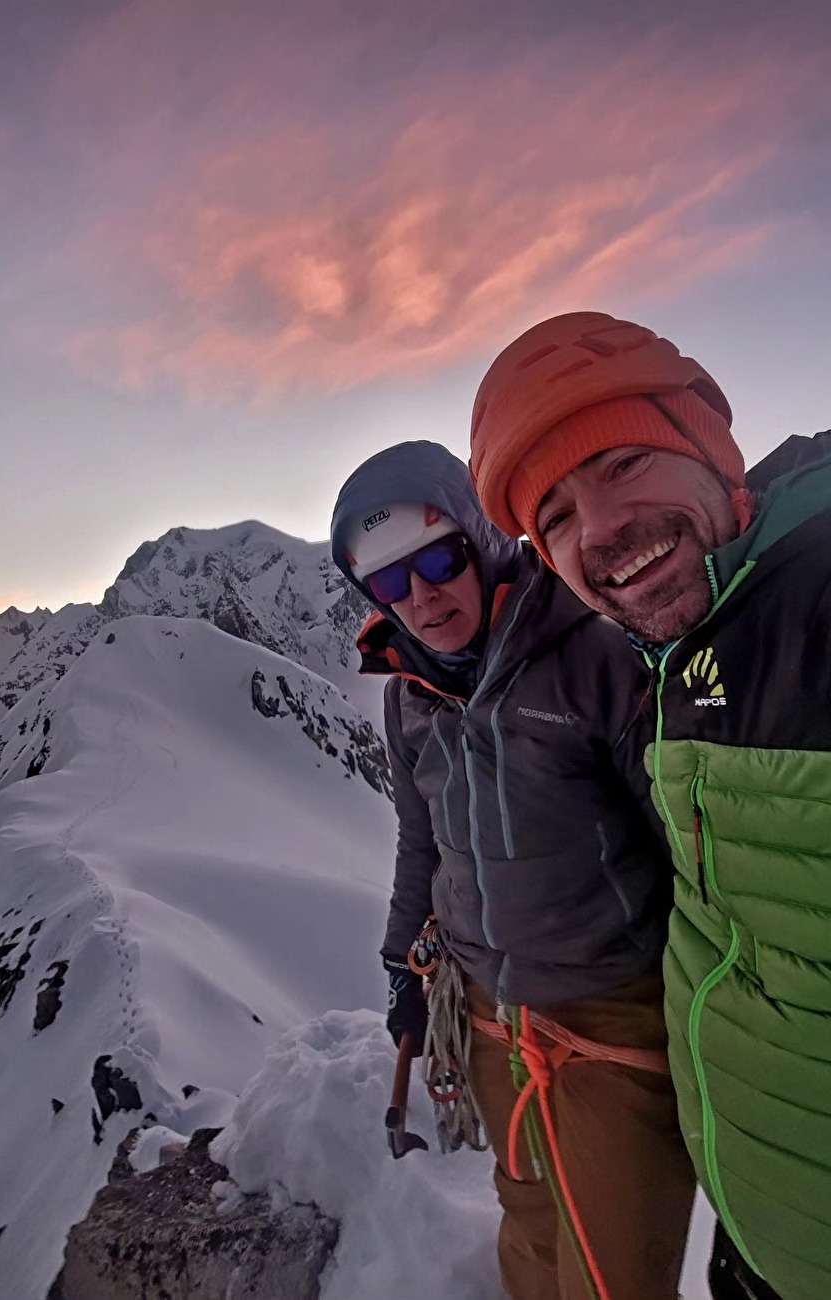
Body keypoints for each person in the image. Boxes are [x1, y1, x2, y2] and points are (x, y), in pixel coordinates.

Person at [469, 310, 831, 1300]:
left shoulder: (821, 597)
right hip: (764, 1229)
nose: (597, 530)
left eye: (622, 463)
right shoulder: (685, 652)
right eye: (552, 515)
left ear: (707, 450)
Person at [329, 440, 696, 1300]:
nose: (419, 596)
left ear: (481, 539)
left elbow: (677, 834)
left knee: (617, 1272)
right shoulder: (408, 694)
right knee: (530, 1233)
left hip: (615, 1015)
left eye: (438, 559)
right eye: (389, 581)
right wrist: (401, 968)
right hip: (492, 1013)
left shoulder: (588, 648)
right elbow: (423, 842)